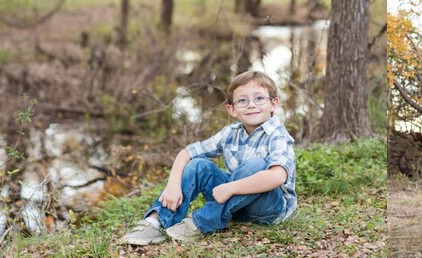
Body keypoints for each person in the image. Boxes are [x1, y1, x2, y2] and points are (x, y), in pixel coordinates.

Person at [119, 71, 296, 245]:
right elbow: (187, 153)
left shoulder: (277, 135)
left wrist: (230, 188)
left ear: (273, 103)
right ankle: (155, 221)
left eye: (259, 98)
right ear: (232, 109)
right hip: (237, 207)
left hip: (267, 210)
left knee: (256, 165)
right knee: (198, 166)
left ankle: (201, 222)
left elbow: (277, 176)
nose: (251, 105)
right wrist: (173, 184)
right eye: (242, 100)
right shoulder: (231, 132)